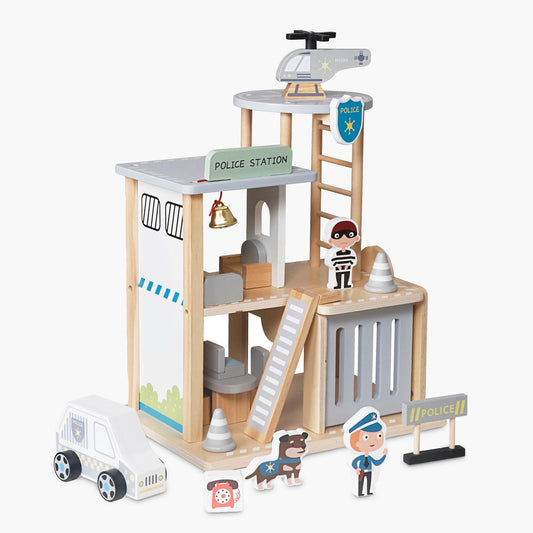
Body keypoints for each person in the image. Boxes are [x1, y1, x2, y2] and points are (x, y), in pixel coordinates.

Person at [343, 407, 388, 497]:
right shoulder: (359, 456)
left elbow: (377, 462)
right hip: (362, 472)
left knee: (369, 482)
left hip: (369, 471)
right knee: (360, 483)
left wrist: (384, 455)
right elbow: (354, 462)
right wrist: (357, 468)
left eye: (379, 436)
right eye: (366, 437)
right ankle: (360, 492)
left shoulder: (370, 457)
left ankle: (369, 491)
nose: (374, 441)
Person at [324, 218, 360, 289]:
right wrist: (337, 265)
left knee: (347, 276)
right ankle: (337, 285)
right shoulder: (334, 253)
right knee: (337, 276)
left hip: (348, 268)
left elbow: (353, 260)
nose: (344, 238)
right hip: (337, 268)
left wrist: (348, 264)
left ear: (357, 238)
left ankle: (346, 284)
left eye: (350, 235)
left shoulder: (351, 252)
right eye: (338, 236)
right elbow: (332, 260)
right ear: (330, 240)